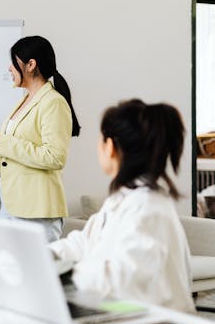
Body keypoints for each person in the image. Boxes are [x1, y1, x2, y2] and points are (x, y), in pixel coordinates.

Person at [49, 99, 195, 312]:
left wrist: (60, 274)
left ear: (110, 147)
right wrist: (42, 254)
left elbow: (119, 279)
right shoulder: (123, 199)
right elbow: (84, 243)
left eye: (100, 140)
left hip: (155, 321)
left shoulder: (148, 208)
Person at [0, 36, 80, 242]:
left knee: (35, 273)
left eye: (13, 61)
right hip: (12, 206)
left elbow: (55, 156)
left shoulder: (53, 103)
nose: (9, 68)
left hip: (35, 211)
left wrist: (7, 144)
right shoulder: (26, 99)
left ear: (31, 65)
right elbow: (6, 143)